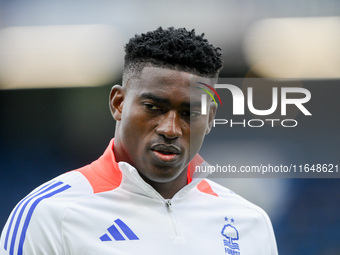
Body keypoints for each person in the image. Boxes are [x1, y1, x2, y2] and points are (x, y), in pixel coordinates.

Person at [0, 27, 278, 255]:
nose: (170, 129)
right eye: (153, 107)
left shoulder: (249, 221)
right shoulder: (49, 214)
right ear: (118, 103)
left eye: (190, 113)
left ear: (211, 118)